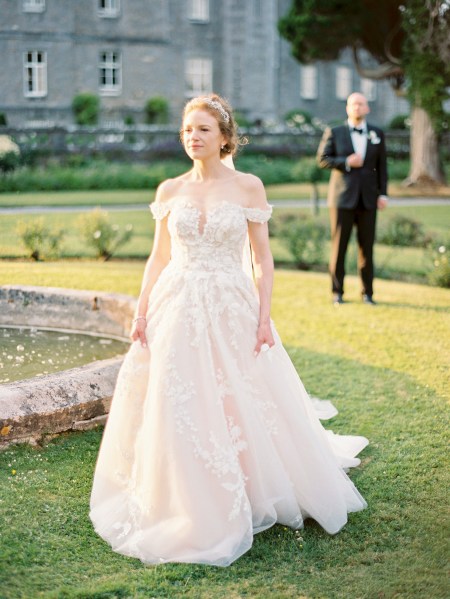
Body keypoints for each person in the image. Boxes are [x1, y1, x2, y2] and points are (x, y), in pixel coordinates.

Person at [90, 93, 368, 567]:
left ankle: (252, 480)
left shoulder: (248, 187)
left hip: (230, 304)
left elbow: (262, 258)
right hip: (176, 303)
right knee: (180, 393)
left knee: (241, 392)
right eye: (186, 131)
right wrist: (140, 314)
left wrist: (264, 317)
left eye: (202, 130)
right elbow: (158, 258)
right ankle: (183, 490)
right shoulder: (168, 190)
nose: (192, 138)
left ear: (224, 138)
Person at [317, 92, 388, 305]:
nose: (357, 107)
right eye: (353, 104)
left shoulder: (377, 133)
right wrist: (346, 161)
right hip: (341, 199)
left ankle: (368, 294)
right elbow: (322, 159)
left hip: (368, 199)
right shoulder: (335, 131)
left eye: (361, 104)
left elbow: (382, 167)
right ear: (347, 108)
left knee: (367, 248)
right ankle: (337, 292)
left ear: (367, 108)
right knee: (340, 247)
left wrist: (382, 193)